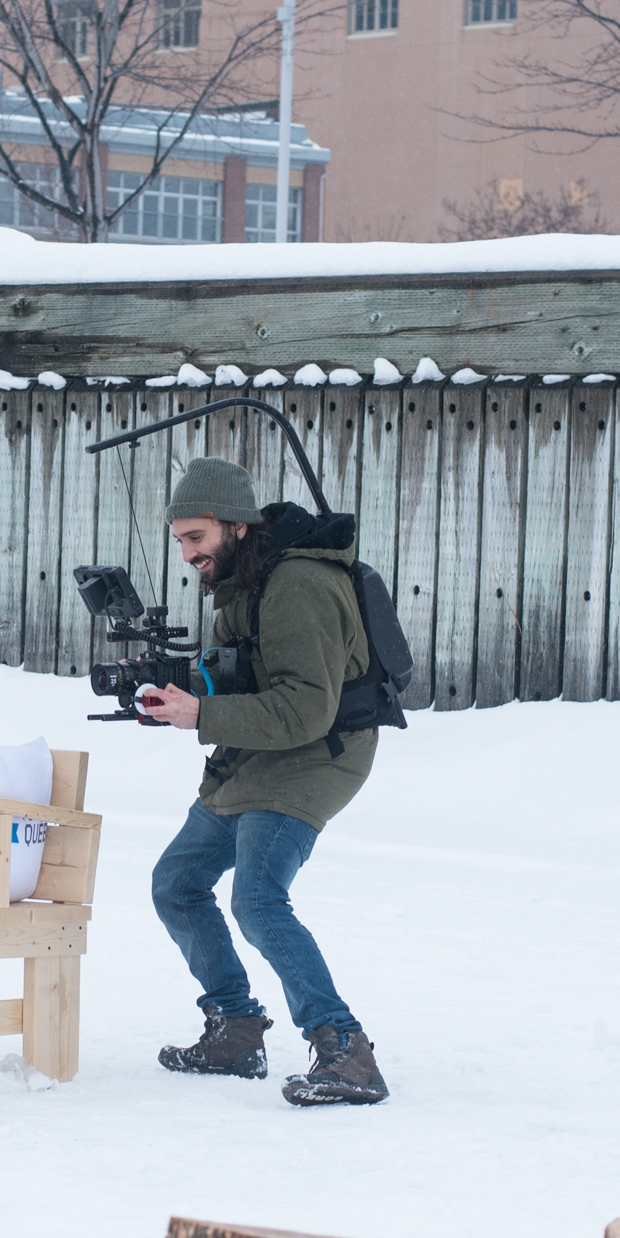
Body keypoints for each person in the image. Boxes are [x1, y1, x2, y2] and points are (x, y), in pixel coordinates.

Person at [138, 456, 386, 1108]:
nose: (188, 552)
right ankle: (237, 1029)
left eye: (196, 537)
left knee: (256, 896)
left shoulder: (300, 584)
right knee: (177, 882)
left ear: (237, 526)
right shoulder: (242, 586)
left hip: (319, 753)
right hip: (260, 748)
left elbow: (306, 707)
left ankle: (345, 1047)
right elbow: (231, 676)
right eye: (181, 540)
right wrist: (173, 689)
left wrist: (205, 713)